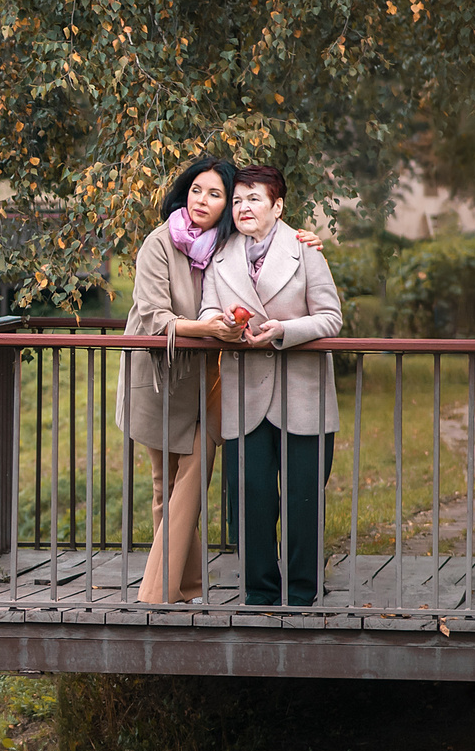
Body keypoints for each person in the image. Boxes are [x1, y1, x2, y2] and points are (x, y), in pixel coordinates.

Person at [119, 157, 324, 602]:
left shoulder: (228, 243)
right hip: (160, 376)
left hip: (210, 381)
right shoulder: (160, 243)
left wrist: (307, 239)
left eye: (216, 194)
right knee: (165, 484)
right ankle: (175, 588)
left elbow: (272, 240)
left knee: (193, 478)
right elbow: (157, 318)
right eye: (197, 190)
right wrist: (210, 328)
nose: (203, 201)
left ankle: (166, 587)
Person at [202, 165, 345, 605]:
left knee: (304, 502)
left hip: (302, 391)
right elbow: (208, 310)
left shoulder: (305, 251)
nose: (244, 207)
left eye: (255, 199)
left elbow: (331, 318)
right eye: (239, 200)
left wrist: (283, 329)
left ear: (277, 205)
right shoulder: (219, 254)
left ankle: (303, 594)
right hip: (245, 395)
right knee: (250, 500)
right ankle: (259, 594)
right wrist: (221, 323)